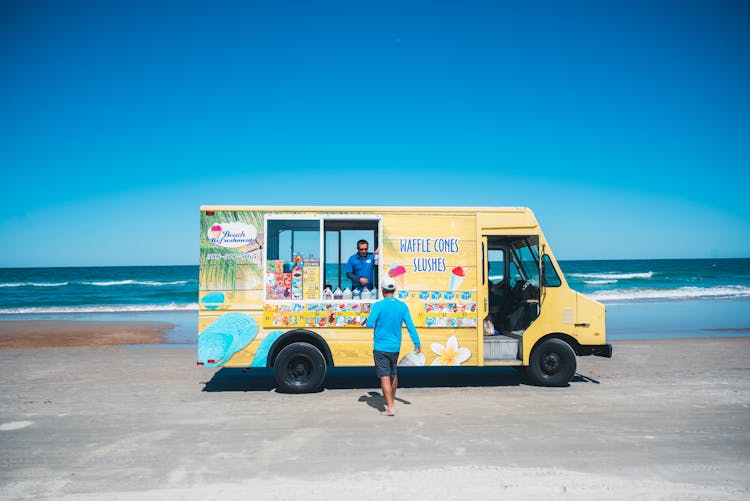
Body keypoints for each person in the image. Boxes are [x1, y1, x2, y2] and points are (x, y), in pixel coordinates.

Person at [365, 276, 421, 416]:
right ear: (394, 290)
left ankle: (390, 408)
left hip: (380, 347)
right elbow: (410, 326)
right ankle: (391, 401)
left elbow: (369, 324)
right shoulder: (402, 306)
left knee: (384, 377)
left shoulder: (378, 305)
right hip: (395, 347)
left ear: (382, 290)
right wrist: (417, 343)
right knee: (393, 374)